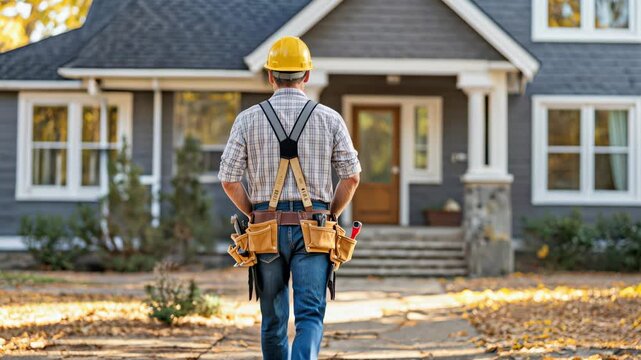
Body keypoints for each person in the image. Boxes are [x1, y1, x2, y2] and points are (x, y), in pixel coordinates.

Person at [218, 36, 361, 360]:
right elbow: (351, 177)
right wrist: (332, 213)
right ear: (307, 76)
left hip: (266, 232)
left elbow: (228, 180)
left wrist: (255, 212)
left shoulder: (247, 120)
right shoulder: (329, 119)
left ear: (270, 75)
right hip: (315, 228)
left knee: (273, 318)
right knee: (310, 314)